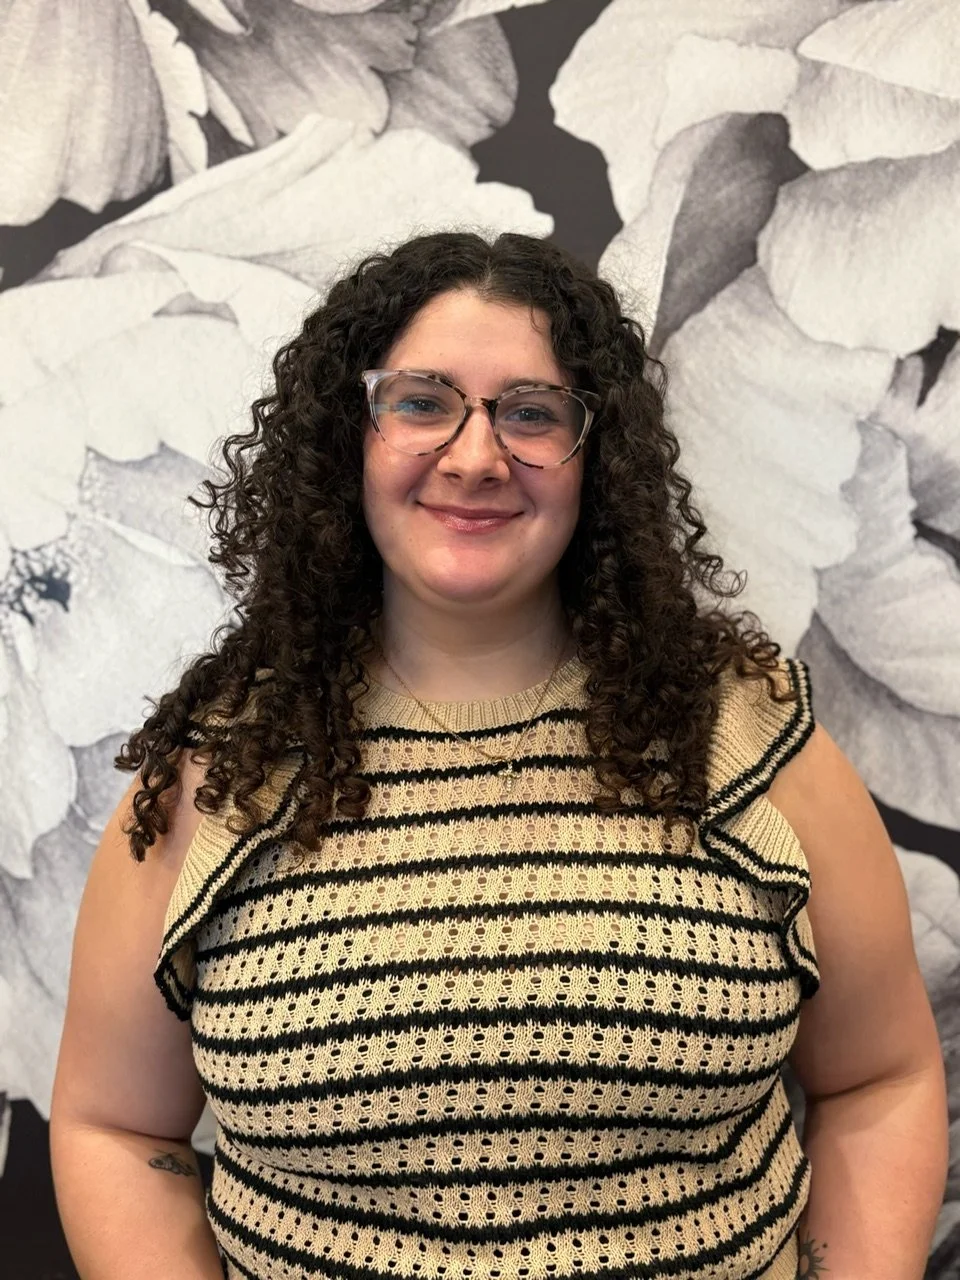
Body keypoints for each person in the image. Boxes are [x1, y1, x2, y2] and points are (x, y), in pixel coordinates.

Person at [49, 231, 946, 1280]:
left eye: (530, 413)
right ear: (351, 435)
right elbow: (116, 1126)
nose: (475, 457)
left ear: (592, 457)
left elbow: (881, 1078)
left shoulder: (741, 735)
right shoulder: (226, 770)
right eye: (421, 401)